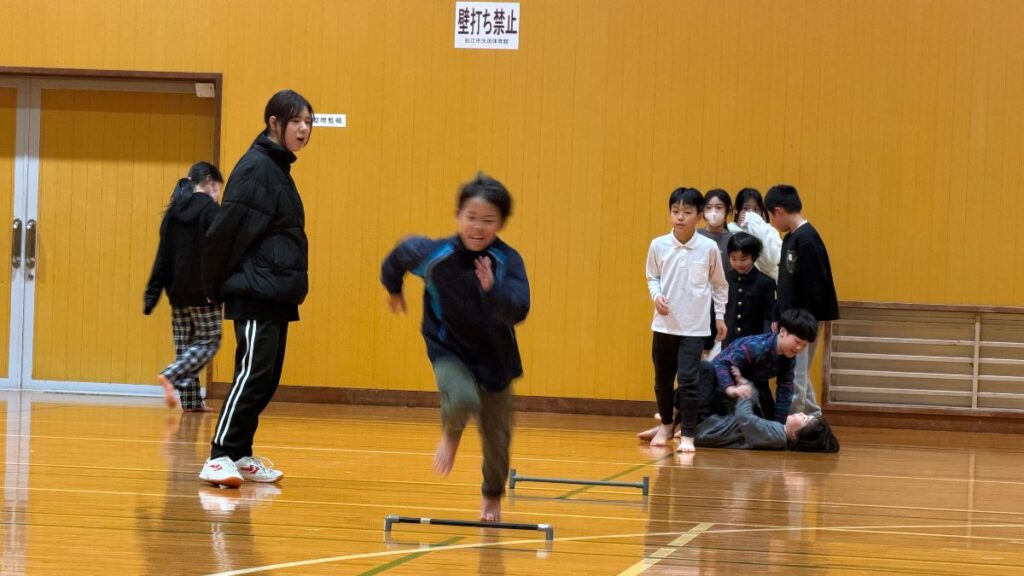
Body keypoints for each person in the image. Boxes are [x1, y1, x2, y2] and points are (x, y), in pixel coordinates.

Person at [381, 172, 530, 523]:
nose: (478, 228)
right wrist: (393, 287)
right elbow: (399, 255)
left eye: (488, 221)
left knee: (498, 441)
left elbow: (519, 308)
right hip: (448, 348)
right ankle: (451, 433)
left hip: (496, 360)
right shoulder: (436, 254)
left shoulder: (508, 261)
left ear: (501, 223)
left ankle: (491, 497)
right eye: (471, 218)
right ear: (458, 217)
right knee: (461, 398)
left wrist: (493, 288)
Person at [197, 89, 314, 488]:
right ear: (274, 124)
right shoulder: (257, 169)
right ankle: (217, 456)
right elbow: (224, 232)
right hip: (255, 290)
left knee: (266, 377)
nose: (304, 128)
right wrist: (212, 285)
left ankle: (239, 453)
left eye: (309, 122)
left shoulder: (276, 168)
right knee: (251, 374)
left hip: (275, 290)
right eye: (297, 121)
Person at [639, 309, 832, 450]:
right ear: (782, 332)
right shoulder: (755, 347)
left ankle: (675, 423)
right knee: (703, 369)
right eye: (797, 342)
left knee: (764, 401)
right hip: (720, 386)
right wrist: (731, 388)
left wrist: (778, 425)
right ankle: (671, 421)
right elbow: (721, 365)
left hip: (742, 393)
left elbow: (785, 391)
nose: (799, 348)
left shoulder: (789, 359)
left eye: (804, 346)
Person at [641, 187, 728, 452]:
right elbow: (652, 277)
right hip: (664, 325)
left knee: (689, 381)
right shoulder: (658, 245)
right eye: (675, 211)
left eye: (687, 212)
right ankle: (666, 424)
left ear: (699, 216)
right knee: (662, 380)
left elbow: (719, 285)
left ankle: (688, 434)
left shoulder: (709, 248)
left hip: (694, 328)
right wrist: (656, 296)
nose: (680, 217)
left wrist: (720, 317)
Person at [144, 162, 224, 413]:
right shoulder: (211, 210)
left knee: (185, 346)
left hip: (176, 292)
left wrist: (152, 294)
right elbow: (216, 254)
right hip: (202, 292)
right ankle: (171, 375)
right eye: (218, 187)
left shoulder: (174, 211)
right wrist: (216, 289)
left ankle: (190, 402)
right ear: (210, 181)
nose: (218, 192)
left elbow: (163, 256)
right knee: (209, 342)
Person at [765, 184, 839, 417]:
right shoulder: (790, 239)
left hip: (803, 320)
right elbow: (784, 283)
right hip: (791, 319)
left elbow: (816, 287)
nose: (770, 222)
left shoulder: (807, 239)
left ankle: (793, 423)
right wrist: (778, 315)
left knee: (795, 373)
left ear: (778, 211)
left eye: (769, 216)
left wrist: (800, 323)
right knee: (799, 372)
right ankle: (813, 417)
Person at [729, 187, 782, 280]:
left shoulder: (770, 231)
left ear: (761, 212)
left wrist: (759, 228)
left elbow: (772, 261)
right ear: (737, 210)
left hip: (768, 282)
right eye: (745, 208)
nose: (751, 213)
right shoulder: (730, 231)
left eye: (756, 209)